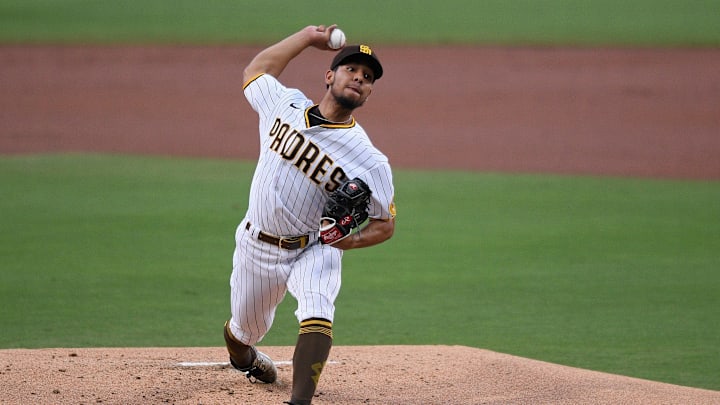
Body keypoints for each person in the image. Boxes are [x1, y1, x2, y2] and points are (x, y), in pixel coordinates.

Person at [223, 24, 397, 405]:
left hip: (316, 245)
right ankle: (248, 360)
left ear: (369, 93)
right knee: (241, 334)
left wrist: (346, 240)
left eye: (368, 78)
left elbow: (386, 224)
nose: (360, 79)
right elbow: (256, 70)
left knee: (318, 309)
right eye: (352, 70)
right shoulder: (283, 104)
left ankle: (299, 401)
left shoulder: (370, 159)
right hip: (258, 244)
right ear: (330, 75)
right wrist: (305, 37)